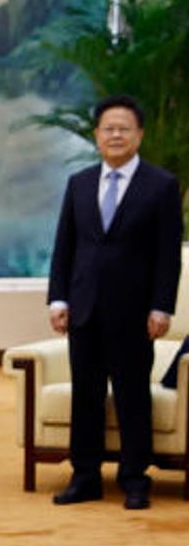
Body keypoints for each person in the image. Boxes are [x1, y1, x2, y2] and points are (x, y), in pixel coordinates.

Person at [48, 94, 183, 510]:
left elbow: (167, 255)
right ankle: (85, 476)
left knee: (132, 397)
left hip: (135, 314)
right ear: (96, 135)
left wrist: (162, 307)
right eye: (109, 128)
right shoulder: (80, 183)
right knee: (86, 396)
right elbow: (64, 247)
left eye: (125, 127)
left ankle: (134, 478)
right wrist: (58, 298)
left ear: (139, 134)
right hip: (84, 310)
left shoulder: (161, 186)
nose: (116, 134)